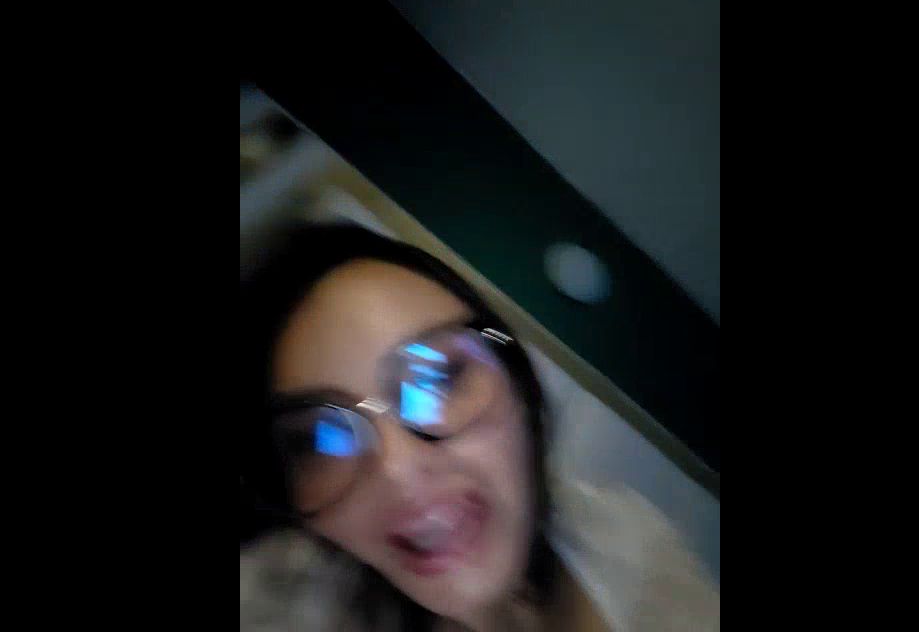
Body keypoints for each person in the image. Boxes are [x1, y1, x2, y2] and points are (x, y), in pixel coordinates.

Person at [240, 224, 719, 631]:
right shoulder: (276, 609)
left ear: (520, 386)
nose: (398, 470)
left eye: (438, 380)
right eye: (321, 437)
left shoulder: (629, 544)